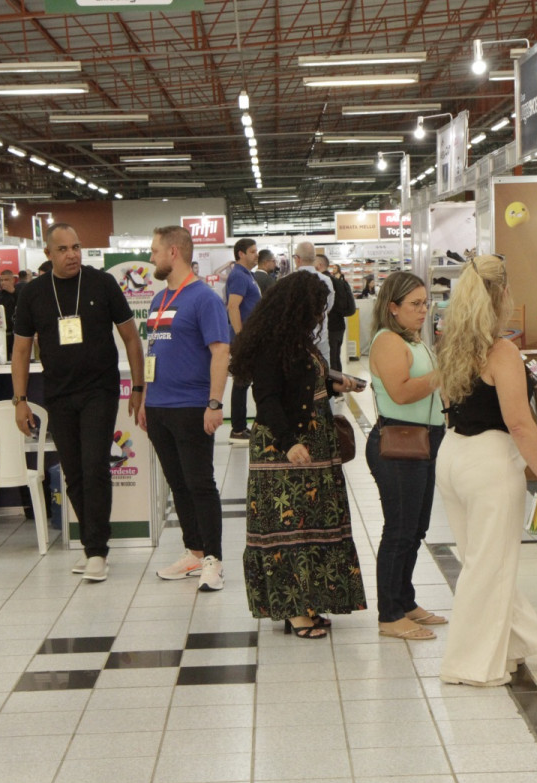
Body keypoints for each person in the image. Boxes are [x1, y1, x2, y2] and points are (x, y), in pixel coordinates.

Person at [436, 255, 537, 685]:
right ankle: (469, 664)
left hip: (452, 454)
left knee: (480, 559)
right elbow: (520, 422)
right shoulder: (500, 350)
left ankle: (511, 644)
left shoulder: (451, 343)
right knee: (489, 565)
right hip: (489, 462)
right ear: (502, 294)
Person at [231, 271, 367, 638]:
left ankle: (310, 602)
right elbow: (268, 399)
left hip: (314, 446)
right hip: (285, 450)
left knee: (312, 525)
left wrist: (333, 381)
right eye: (316, 308)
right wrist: (289, 441)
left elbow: (300, 381)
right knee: (287, 528)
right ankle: (294, 610)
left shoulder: (296, 341)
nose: (320, 315)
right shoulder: (272, 344)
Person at [13, 223, 145, 581]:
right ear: (48, 254)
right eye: (63, 249)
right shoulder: (33, 293)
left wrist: (137, 386)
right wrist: (20, 400)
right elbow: (22, 348)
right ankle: (91, 545)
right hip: (58, 393)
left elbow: (131, 337)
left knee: (95, 466)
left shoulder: (102, 283)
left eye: (76, 247)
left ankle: (97, 550)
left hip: (99, 390)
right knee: (73, 473)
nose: (72, 254)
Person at [137, 225, 231, 591]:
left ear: (174, 252)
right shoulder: (161, 298)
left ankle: (213, 559)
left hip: (192, 406)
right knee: (177, 484)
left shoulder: (203, 298)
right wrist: (145, 398)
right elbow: (153, 353)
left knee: (200, 483)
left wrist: (214, 403)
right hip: (159, 407)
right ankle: (194, 551)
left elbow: (220, 352)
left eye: (155, 251)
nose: (151, 257)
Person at [366, 272, 446, 640]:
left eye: (424, 303)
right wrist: (443, 373)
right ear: (393, 307)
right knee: (398, 530)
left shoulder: (414, 340)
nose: (422, 311)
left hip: (425, 441)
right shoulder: (387, 341)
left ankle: (405, 598)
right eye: (415, 305)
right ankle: (389, 613)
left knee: (416, 528)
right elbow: (400, 392)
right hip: (399, 442)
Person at [226, 238, 262, 444]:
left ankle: (240, 428)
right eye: (252, 251)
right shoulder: (239, 276)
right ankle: (238, 429)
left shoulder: (248, 276)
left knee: (244, 381)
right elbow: (233, 307)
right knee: (241, 382)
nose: (256, 254)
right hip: (245, 339)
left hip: (252, 337)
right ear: (241, 254)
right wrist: (241, 338)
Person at [295, 242, 334, 363]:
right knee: (326, 373)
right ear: (314, 259)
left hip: (298, 339)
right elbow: (329, 306)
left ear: (297, 259)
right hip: (321, 335)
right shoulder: (326, 280)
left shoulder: (289, 280)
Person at [322, 257, 356, 373]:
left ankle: (334, 387)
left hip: (330, 326)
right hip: (339, 325)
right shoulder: (339, 282)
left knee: (331, 358)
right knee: (336, 356)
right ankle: (339, 383)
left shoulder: (325, 282)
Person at [0, 269, 20, 356]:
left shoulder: (19, 293)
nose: (3, 282)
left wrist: (13, 292)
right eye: (1, 280)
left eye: (6, 280)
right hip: (1, 333)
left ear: (12, 280)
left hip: (15, 334)